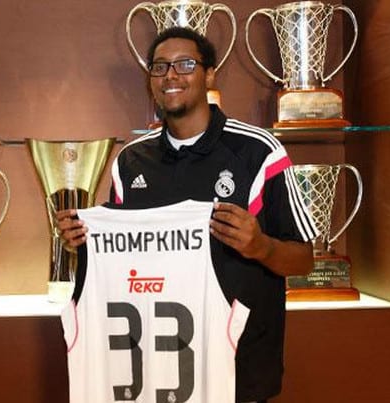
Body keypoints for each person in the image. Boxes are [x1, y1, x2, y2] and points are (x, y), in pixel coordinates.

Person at [56, 27, 318, 403]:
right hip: (155, 373)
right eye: (159, 67)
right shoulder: (130, 161)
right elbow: (124, 259)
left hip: (240, 369)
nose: (171, 76)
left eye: (185, 65)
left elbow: (304, 259)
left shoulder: (260, 151)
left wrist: (260, 246)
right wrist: (82, 243)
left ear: (210, 75)